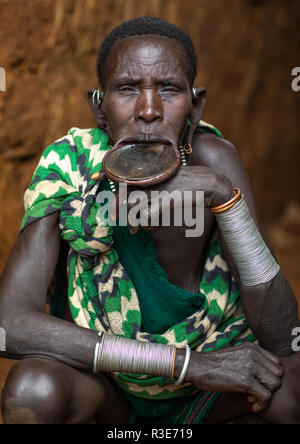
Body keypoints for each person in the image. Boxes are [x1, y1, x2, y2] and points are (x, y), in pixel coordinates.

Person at [0, 17, 299, 425]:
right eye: (126, 89)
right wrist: (185, 363)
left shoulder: (215, 161)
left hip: (211, 394)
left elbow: (284, 339)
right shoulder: (70, 168)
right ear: (99, 107)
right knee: (33, 390)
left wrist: (221, 196)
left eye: (169, 90)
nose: (148, 111)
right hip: (109, 390)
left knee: (293, 387)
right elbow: (9, 323)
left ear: (196, 107)